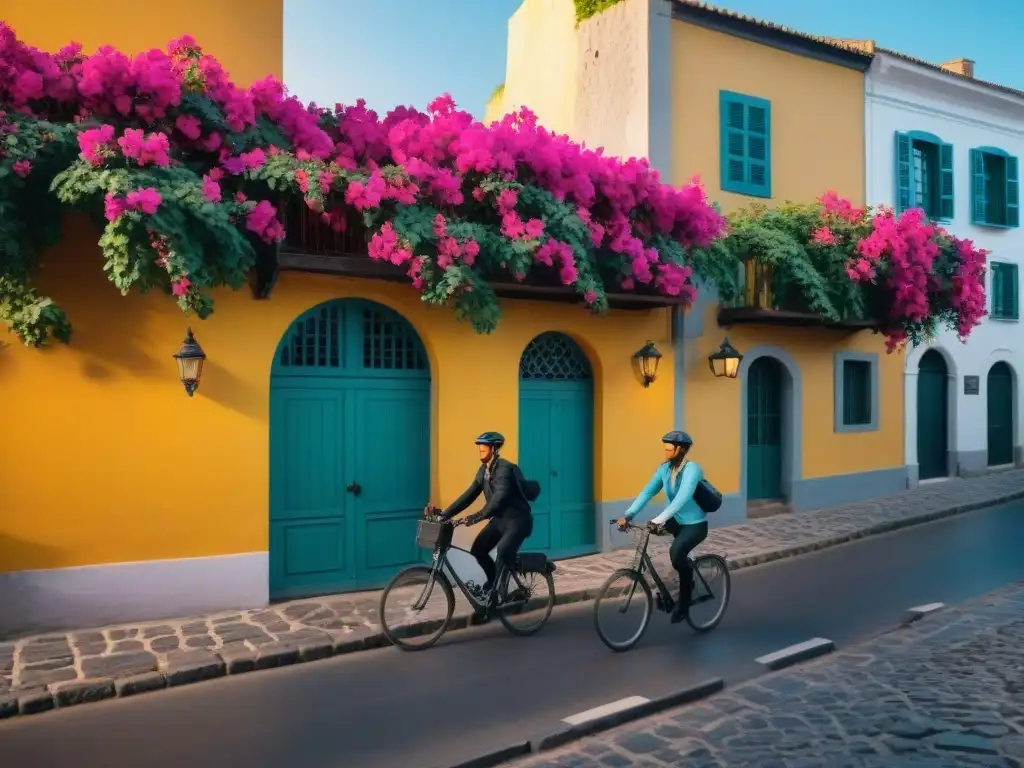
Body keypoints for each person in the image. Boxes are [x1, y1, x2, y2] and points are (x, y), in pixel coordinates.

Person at [427, 431, 534, 601]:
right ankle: (493, 586)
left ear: (494, 448)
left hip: (518, 520)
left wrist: (477, 517)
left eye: (484, 447)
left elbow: (498, 499)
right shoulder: (484, 470)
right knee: (478, 549)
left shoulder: (504, 469)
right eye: (479, 447)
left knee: (503, 550)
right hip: (500, 520)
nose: (480, 450)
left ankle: (499, 593)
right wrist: (445, 514)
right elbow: (469, 495)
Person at [617, 430, 708, 624]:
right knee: (655, 548)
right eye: (665, 449)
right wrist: (628, 515)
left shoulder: (693, 469)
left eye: (670, 449)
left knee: (676, 554)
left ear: (681, 450)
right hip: (674, 521)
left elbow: (683, 497)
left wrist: (660, 518)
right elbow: (647, 492)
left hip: (695, 524)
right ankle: (671, 588)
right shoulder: (665, 469)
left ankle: (683, 604)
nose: (666, 453)